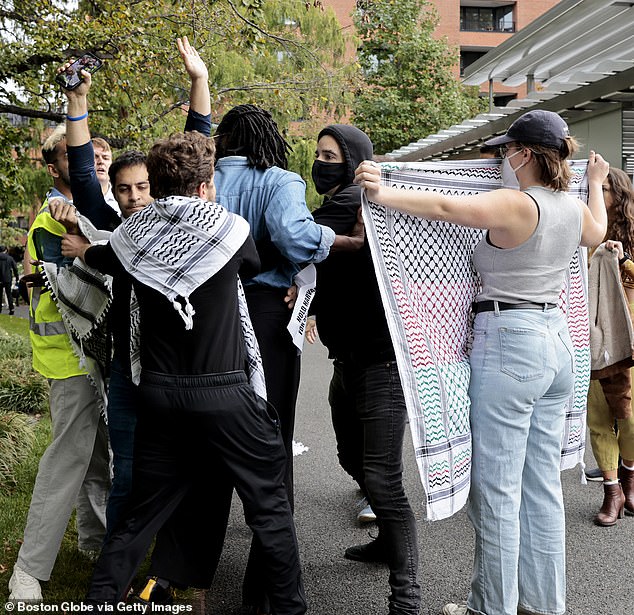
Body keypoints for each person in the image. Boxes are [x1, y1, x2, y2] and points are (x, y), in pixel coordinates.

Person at [355, 109, 609, 615]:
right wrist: (596, 183)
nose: (501, 159)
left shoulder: (518, 204)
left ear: (525, 154)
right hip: (556, 342)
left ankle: (491, 608)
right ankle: (543, 604)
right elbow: (598, 233)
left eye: (506, 151)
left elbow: (449, 205)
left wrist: (383, 192)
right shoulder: (573, 208)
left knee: (496, 491)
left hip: (510, 342)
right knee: (541, 489)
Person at [65, 129, 306, 615]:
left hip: (159, 396)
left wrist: (82, 250)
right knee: (271, 511)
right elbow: (255, 263)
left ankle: (100, 601)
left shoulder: (132, 236)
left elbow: (103, 256)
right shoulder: (230, 231)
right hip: (226, 395)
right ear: (203, 188)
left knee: (139, 517)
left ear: (153, 183)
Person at [57, 37, 232, 602]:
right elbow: (84, 173)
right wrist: (78, 100)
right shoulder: (112, 225)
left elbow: (197, 149)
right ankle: (123, 575)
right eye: (125, 190)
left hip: (189, 373)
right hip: (132, 376)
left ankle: (177, 576)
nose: (133, 199)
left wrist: (199, 82)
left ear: (161, 189)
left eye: (143, 188)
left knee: (192, 476)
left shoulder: (188, 227)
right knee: (129, 475)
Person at [212, 103, 362, 613]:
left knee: (211, 436)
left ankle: (193, 574)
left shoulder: (204, 177)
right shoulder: (279, 180)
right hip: (265, 312)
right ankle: (269, 585)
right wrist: (340, 242)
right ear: (267, 140)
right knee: (271, 438)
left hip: (207, 315)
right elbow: (292, 235)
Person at [307, 123, 420, 615]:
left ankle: (407, 593)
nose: (321, 162)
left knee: (383, 476)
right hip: (347, 358)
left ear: (354, 159)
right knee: (353, 457)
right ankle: (384, 546)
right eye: (318, 154)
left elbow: (294, 232)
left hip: (382, 362)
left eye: (330, 154)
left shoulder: (354, 199)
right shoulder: (349, 203)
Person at [8, 125, 111, 602]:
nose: (89, 155)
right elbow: (80, 285)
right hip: (72, 359)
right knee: (68, 458)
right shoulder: (53, 217)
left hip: (93, 357)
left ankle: (96, 544)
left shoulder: (96, 207)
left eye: (90, 148)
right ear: (54, 169)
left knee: (95, 459)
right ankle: (28, 571)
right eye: (73, 154)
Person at [587, 166, 634, 525]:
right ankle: (612, 492)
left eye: (604, 189)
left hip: (630, 337)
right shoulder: (585, 229)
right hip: (593, 335)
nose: (599, 194)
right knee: (599, 415)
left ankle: (630, 477)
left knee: (631, 418)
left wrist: (623, 261)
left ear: (619, 195)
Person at [0, 245, 19, 314]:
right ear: (5, 250)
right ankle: (11, 308)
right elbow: (15, 268)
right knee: (9, 294)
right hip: (7, 278)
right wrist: (17, 278)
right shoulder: (9, 258)